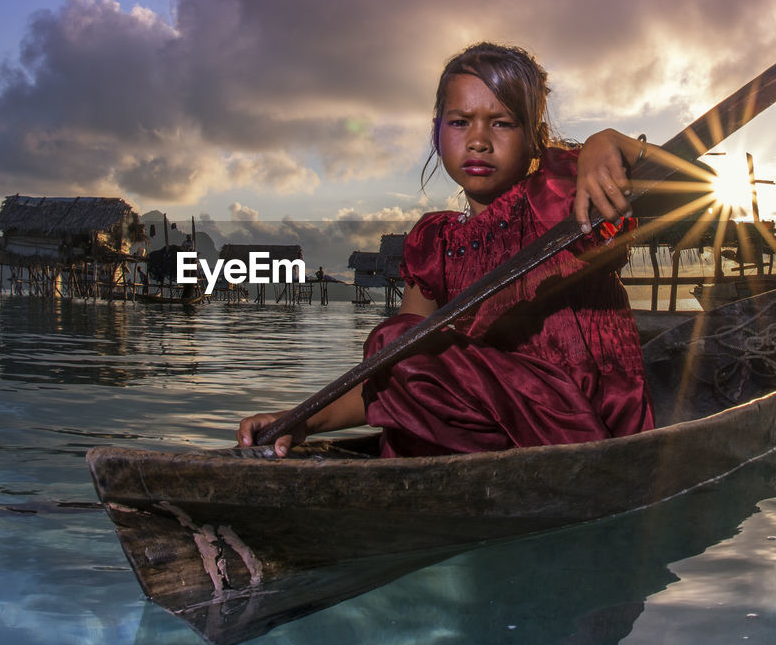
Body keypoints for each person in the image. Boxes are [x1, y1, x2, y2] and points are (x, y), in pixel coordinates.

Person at [237, 42, 655, 457]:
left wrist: (613, 143)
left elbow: (696, 180)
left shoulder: (563, 193)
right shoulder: (435, 243)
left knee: (396, 341)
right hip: (490, 432)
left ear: (533, 137)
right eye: (460, 122)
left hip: (581, 421)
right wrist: (299, 420)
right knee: (395, 341)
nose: (478, 141)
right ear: (437, 133)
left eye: (502, 123)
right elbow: (393, 378)